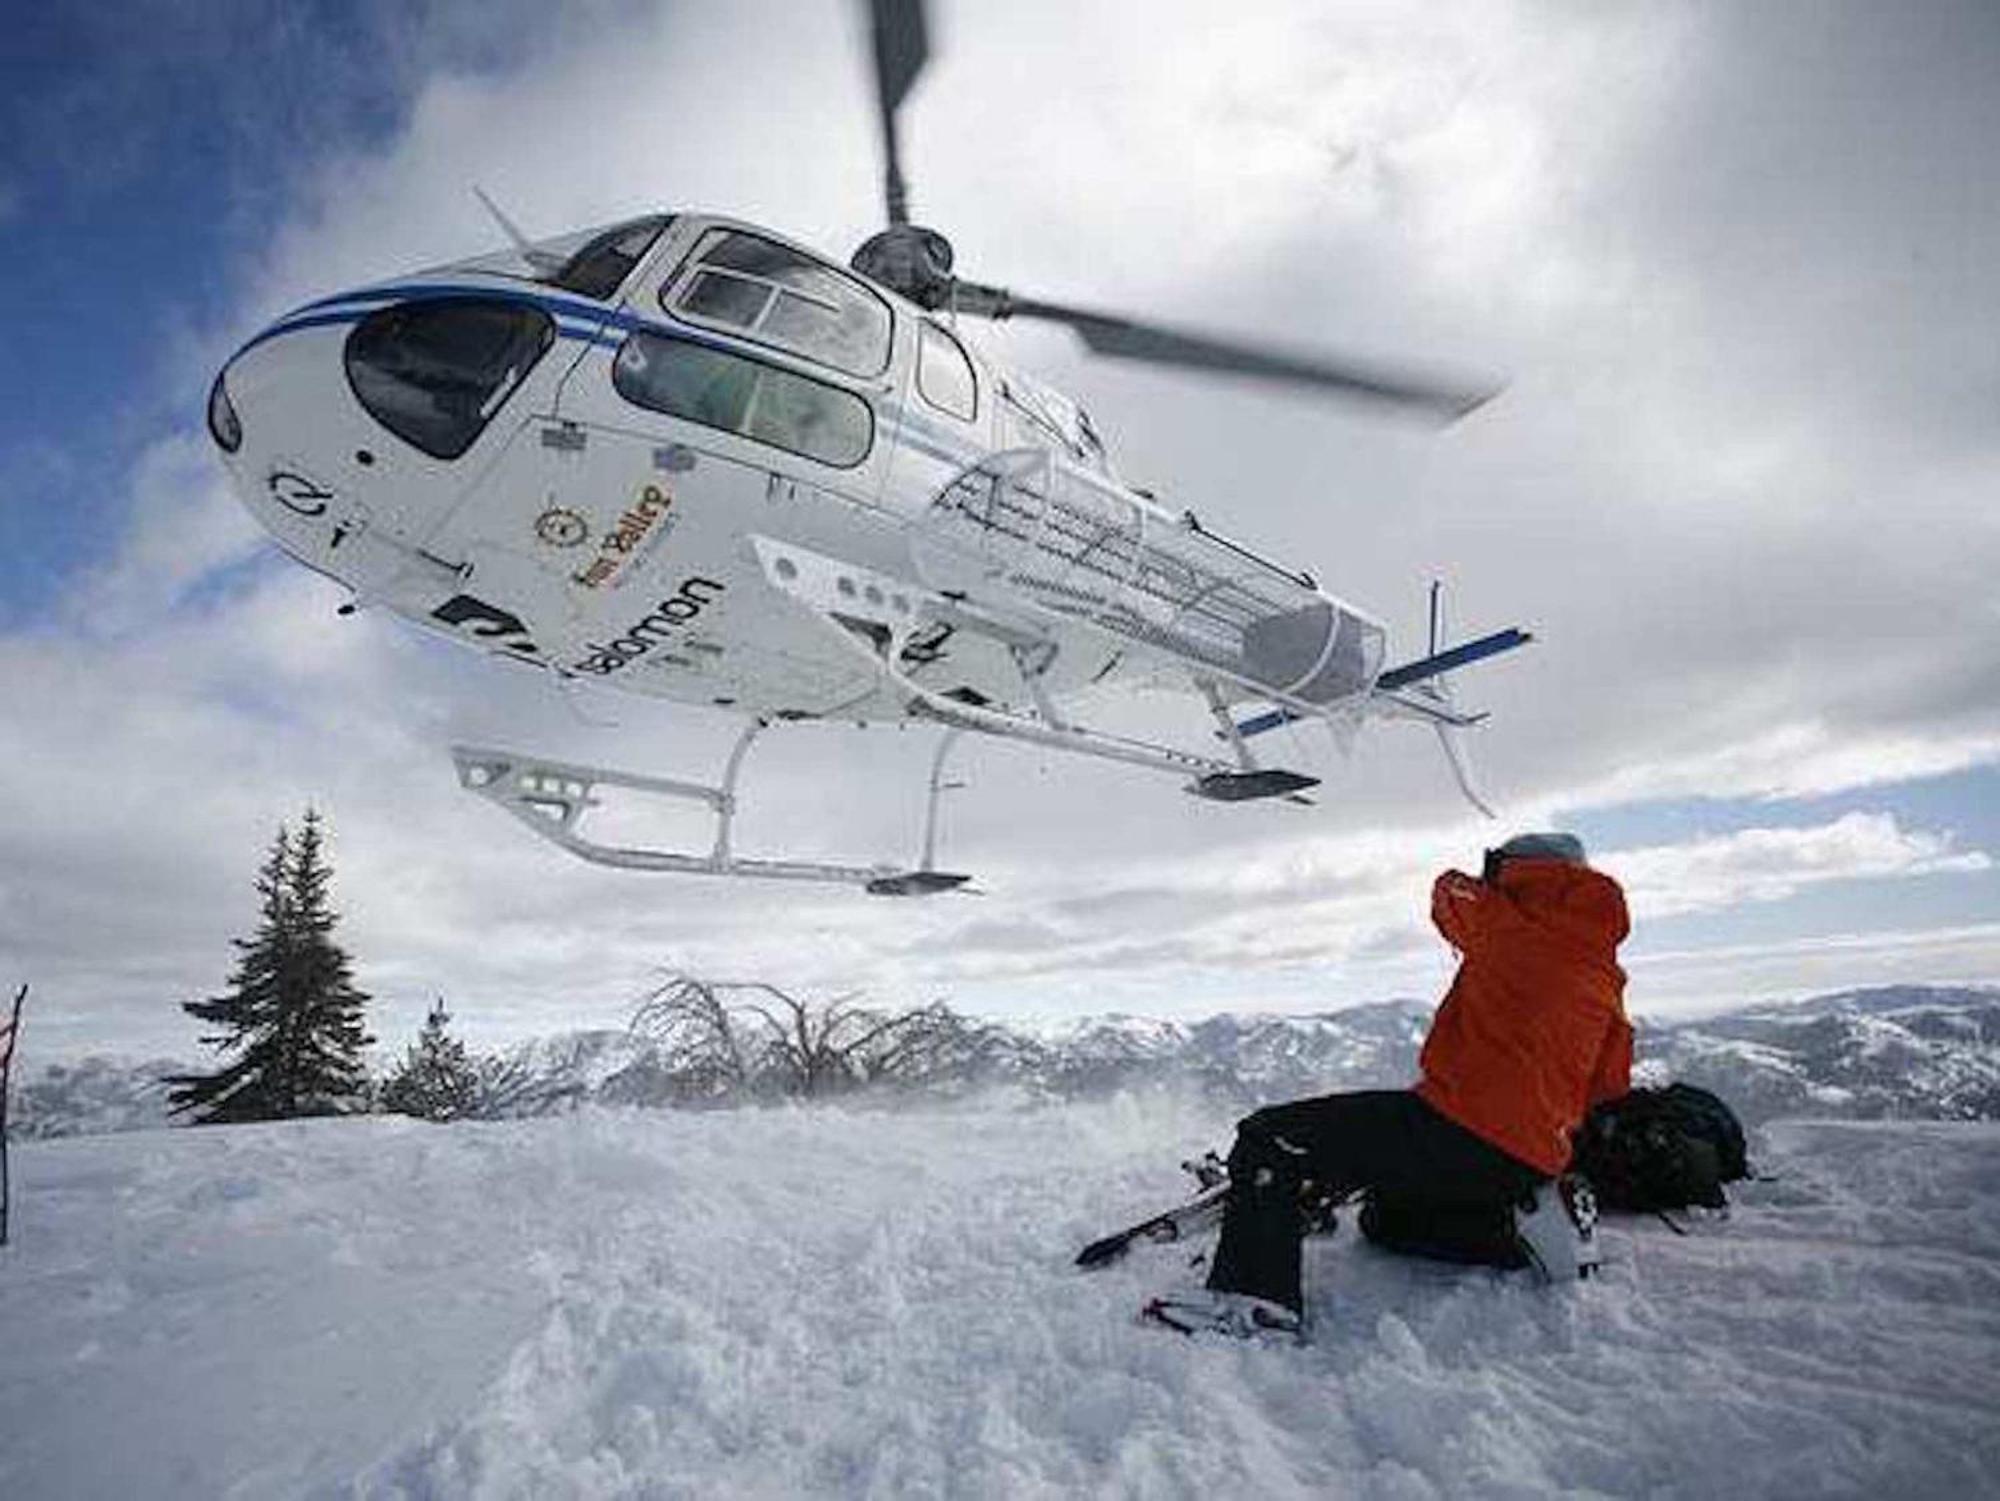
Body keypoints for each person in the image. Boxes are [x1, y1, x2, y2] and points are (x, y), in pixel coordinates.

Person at [1144, 832, 1633, 1340]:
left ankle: (1255, 1302)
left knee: (1270, 1136)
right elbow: (1607, 1083)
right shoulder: (1604, 974)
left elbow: (1447, 895)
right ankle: (1516, 1228)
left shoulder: (1507, 925)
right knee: (1386, 1220)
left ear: (1519, 872)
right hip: (1528, 1160)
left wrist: (1493, 885)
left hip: (1458, 1126)